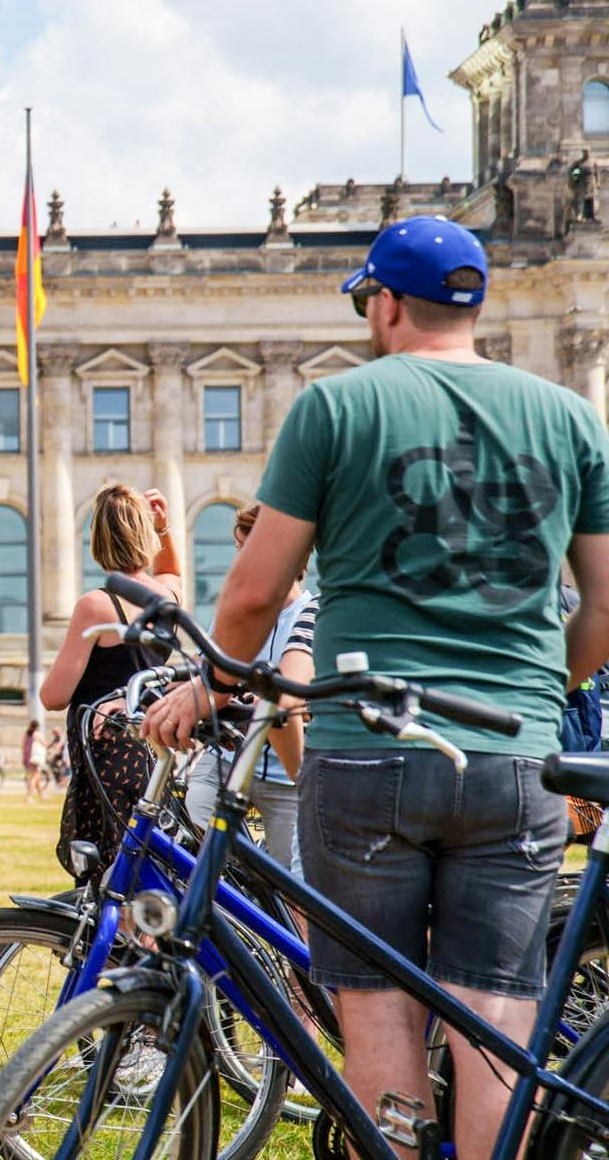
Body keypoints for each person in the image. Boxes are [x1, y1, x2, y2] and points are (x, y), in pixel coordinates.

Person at [145, 217, 609, 1160]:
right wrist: (534, 689)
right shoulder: (570, 417)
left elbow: (252, 595)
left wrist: (218, 680)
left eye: (367, 303)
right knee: (492, 1028)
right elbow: (605, 606)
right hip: (518, 758)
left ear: (387, 303)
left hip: (364, 752)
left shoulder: (336, 407)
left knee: (382, 1023)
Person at [43, 484, 182, 876]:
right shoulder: (167, 599)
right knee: (147, 867)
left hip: (107, 755)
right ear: (144, 535)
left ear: (98, 540)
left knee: (112, 874)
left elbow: (54, 696)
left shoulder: (97, 606)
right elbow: (172, 571)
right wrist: (165, 528)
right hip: (150, 748)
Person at [177, 503, 316, 866]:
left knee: (293, 887)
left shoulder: (311, 614)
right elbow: (201, 669)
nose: (239, 561)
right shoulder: (234, 616)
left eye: (246, 550)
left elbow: (288, 694)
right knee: (192, 833)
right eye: (239, 550)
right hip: (225, 758)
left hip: (285, 774)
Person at [23, 719, 48, 802]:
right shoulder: (37, 734)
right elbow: (45, 744)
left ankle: (42, 795)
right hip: (36, 758)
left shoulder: (27, 735)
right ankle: (29, 796)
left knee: (37, 777)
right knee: (35, 777)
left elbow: (23, 747)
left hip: (29, 758)